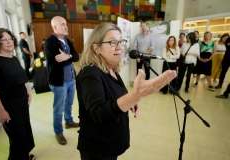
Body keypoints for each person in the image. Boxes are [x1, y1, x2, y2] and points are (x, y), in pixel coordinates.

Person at [76, 23, 176, 160]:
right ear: (96, 48)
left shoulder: (111, 68)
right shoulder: (90, 73)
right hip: (98, 148)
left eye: (121, 41)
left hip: (110, 143)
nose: (120, 47)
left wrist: (132, 99)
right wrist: (135, 96)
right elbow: (98, 113)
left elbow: (119, 94)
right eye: (112, 42)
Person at [0, 28, 35, 160]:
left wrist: (28, 92)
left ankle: (24, 155)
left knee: (25, 130)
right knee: (17, 135)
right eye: (3, 39)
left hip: (22, 100)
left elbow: (21, 78)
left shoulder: (13, 58)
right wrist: (1, 111)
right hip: (9, 103)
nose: (9, 41)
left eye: (10, 38)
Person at [45, 16, 79, 145]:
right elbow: (57, 61)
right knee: (58, 108)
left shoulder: (67, 41)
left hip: (71, 79)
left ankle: (69, 121)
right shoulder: (50, 42)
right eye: (63, 24)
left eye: (66, 24)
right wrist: (67, 57)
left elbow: (76, 57)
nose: (66, 27)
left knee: (69, 103)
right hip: (59, 82)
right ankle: (58, 132)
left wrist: (67, 56)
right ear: (55, 27)